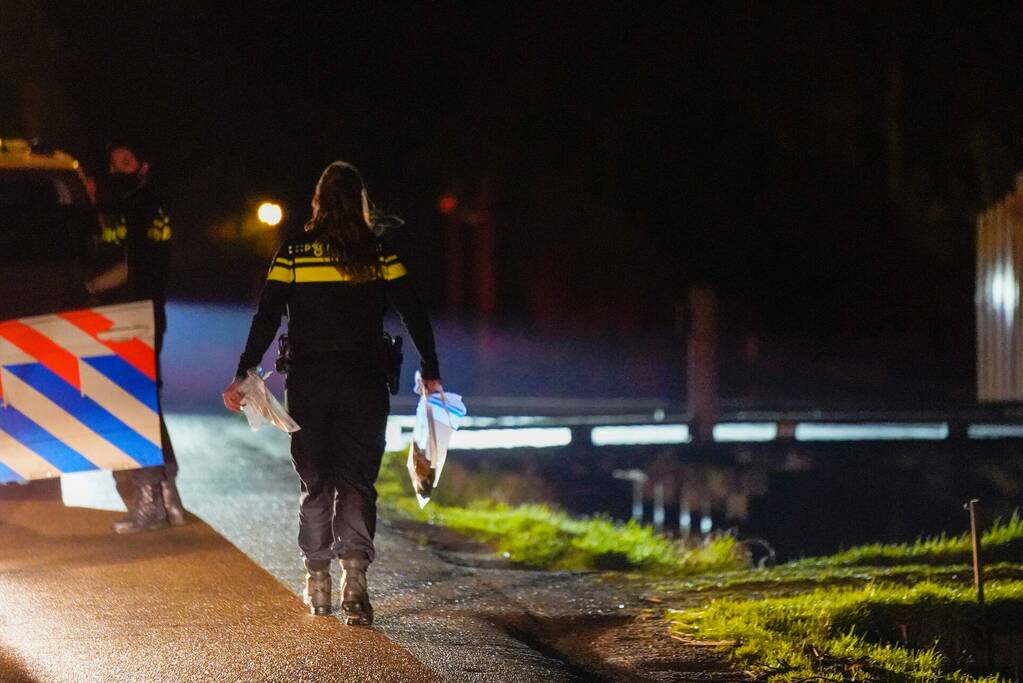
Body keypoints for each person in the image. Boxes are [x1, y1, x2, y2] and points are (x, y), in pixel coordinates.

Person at [222, 161, 442, 625]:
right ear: (361, 203)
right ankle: (356, 584)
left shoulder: (295, 254)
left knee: (315, 481)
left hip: (310, 381)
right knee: (357, 483)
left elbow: (266, 315)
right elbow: (414, 313)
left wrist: (246, 372)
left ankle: (317, 581)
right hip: (364, 381)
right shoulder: (380, 254)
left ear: (318, 202)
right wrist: (432, 369)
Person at [86, 138, 187, 534]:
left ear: (143, 166)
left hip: (134, 317)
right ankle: (169, 498)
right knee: (145, 404)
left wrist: (90, 288)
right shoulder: (124, 204)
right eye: (112, 163)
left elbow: (135, 266)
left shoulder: (144, 204)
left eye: (125, 162)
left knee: (133, 405)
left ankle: (151, 502)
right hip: (136, 316)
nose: (116, 170)